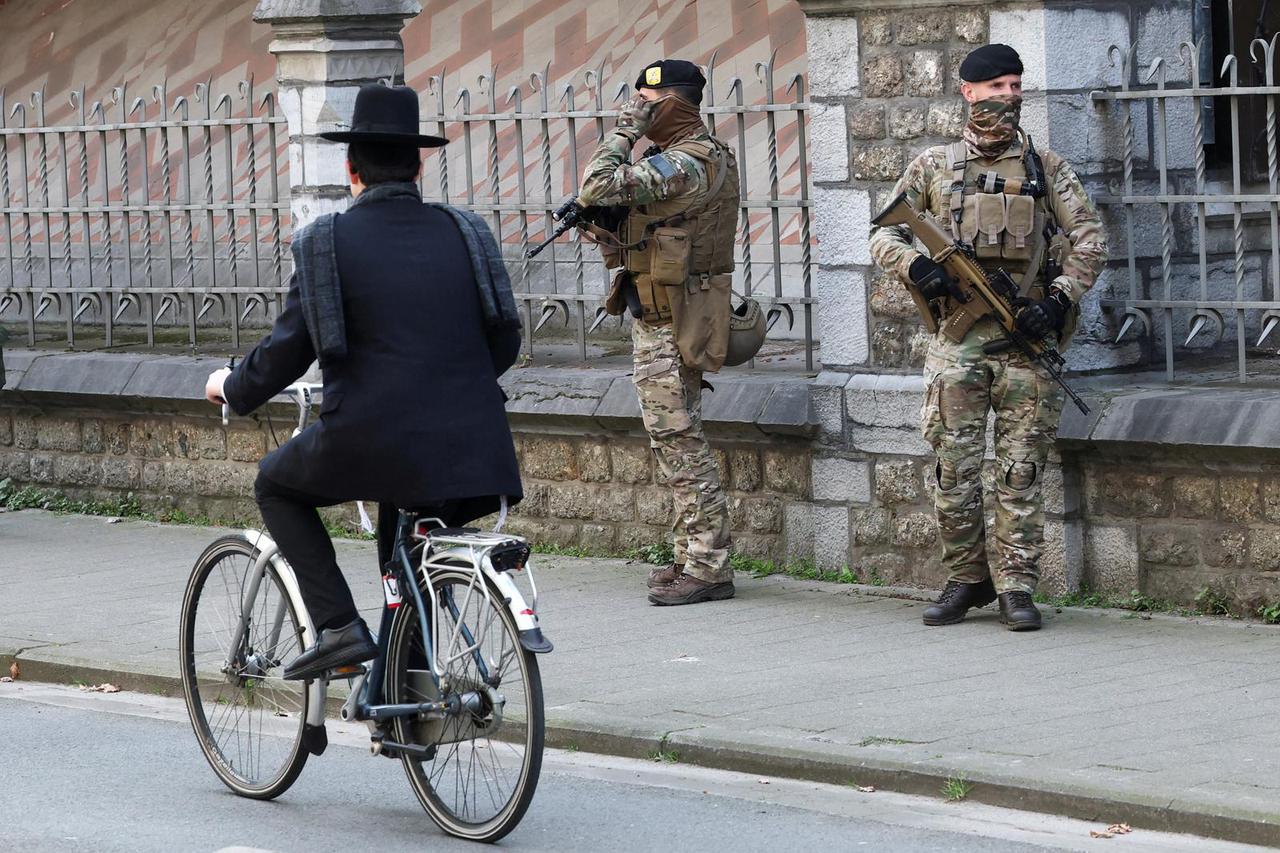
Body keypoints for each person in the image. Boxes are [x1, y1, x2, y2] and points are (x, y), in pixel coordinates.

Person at [205, 84, 523, 679]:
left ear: (351, 168)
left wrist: (232, 387)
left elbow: (286, 352)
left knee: (276, 484)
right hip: (474, 442)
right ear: (419, 164)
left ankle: (338, 627)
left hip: (370, 437)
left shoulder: (326, 242)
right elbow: (505, 337)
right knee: (411, 548)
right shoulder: (468, 232)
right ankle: (410, 690)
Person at [868, 44, 1107, 631]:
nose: (1009, 96)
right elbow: (883, 236)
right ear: (969, 92)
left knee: (1020, 471)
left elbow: (1091, 240)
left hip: (1028, 345)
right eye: (996, 86)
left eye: (1016, 85)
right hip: (958, 343)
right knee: (954, 469)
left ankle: (1018, 587)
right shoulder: (932, 167)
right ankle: (966, 579)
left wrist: (1057, 301)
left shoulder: (1047, 169)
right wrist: (915, 268)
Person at [576, 59, 741, 606]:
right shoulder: (673, 161)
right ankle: (688, 555)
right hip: (658, 315)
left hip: (678, 319)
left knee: (681, 441)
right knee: (671, 440)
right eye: (636, 103)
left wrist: (624, 130)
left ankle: (708, 566)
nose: (640, 110)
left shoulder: (692, 160)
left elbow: (598, 180)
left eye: (649, 102)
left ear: (675, 103)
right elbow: (628, 215)